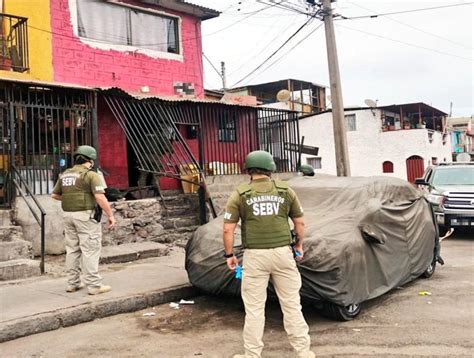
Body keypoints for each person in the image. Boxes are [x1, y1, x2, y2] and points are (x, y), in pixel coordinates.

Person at [222, 150, 315, 358]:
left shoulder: (240, 194)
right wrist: (299, 245)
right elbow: (299, 222)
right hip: (283, 254)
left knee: (254, 309)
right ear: (271, 169)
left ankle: (252, 355)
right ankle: (304, 353)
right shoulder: (285, 191)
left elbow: (228, 228)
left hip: (255, 256)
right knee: (292, 306)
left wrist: (229, 255)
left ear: (249, 170)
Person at [52, 145, 116, 295]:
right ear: (91, 161)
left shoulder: (65, 174)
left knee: (72, 250)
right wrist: (110, 215)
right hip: (85, 216)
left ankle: (72, 283)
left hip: (68, 215)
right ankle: (94, 285)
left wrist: (70, 198)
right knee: (90, 250)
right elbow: (100, 196)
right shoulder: (91, 175)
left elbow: (54, 195)